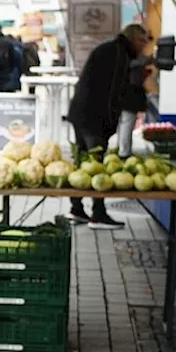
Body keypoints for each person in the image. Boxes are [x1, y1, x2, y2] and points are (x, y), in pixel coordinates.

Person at [65, 24, 150, 229]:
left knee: (82, 161)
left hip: (81, 111)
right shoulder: (120, 54)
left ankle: (76, 209)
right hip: (94, 116)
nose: (144, 46)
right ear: (134, 39)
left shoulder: (111, 49)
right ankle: (98, 214)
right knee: (96, 165)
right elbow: (114, 91)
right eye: (142, 41)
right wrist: (111, 123)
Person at [117, 42, 155, 158]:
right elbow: (138, 64)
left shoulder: (125, 55)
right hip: (130, 94)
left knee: (124, 123)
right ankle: (124, 152)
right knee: (127, 122)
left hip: (126, 94)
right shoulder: (130, 57)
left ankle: (122, 149)